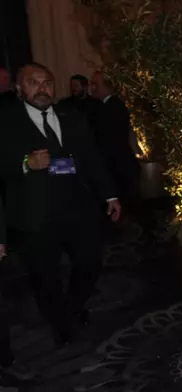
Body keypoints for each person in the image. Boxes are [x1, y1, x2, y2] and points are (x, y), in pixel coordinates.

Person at [0, 63, 121, 345]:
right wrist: (25, 164)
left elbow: (90, 157)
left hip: (77, 208)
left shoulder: (71, 114)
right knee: (45, 276)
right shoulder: (5, 120)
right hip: (34, 215)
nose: (42, 88)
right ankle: (61, 323)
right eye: (34, 82)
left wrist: (110, 195)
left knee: (90, 263)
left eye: (48, 82)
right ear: (19, 89)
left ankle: (69, 308)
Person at [90, 70, 141, 209]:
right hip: (117, 164)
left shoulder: (113, 107)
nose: (92, 89)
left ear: (107, 86)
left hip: (118, 166)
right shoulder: (105, 106)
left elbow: (109, 139)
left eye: (96, 85)